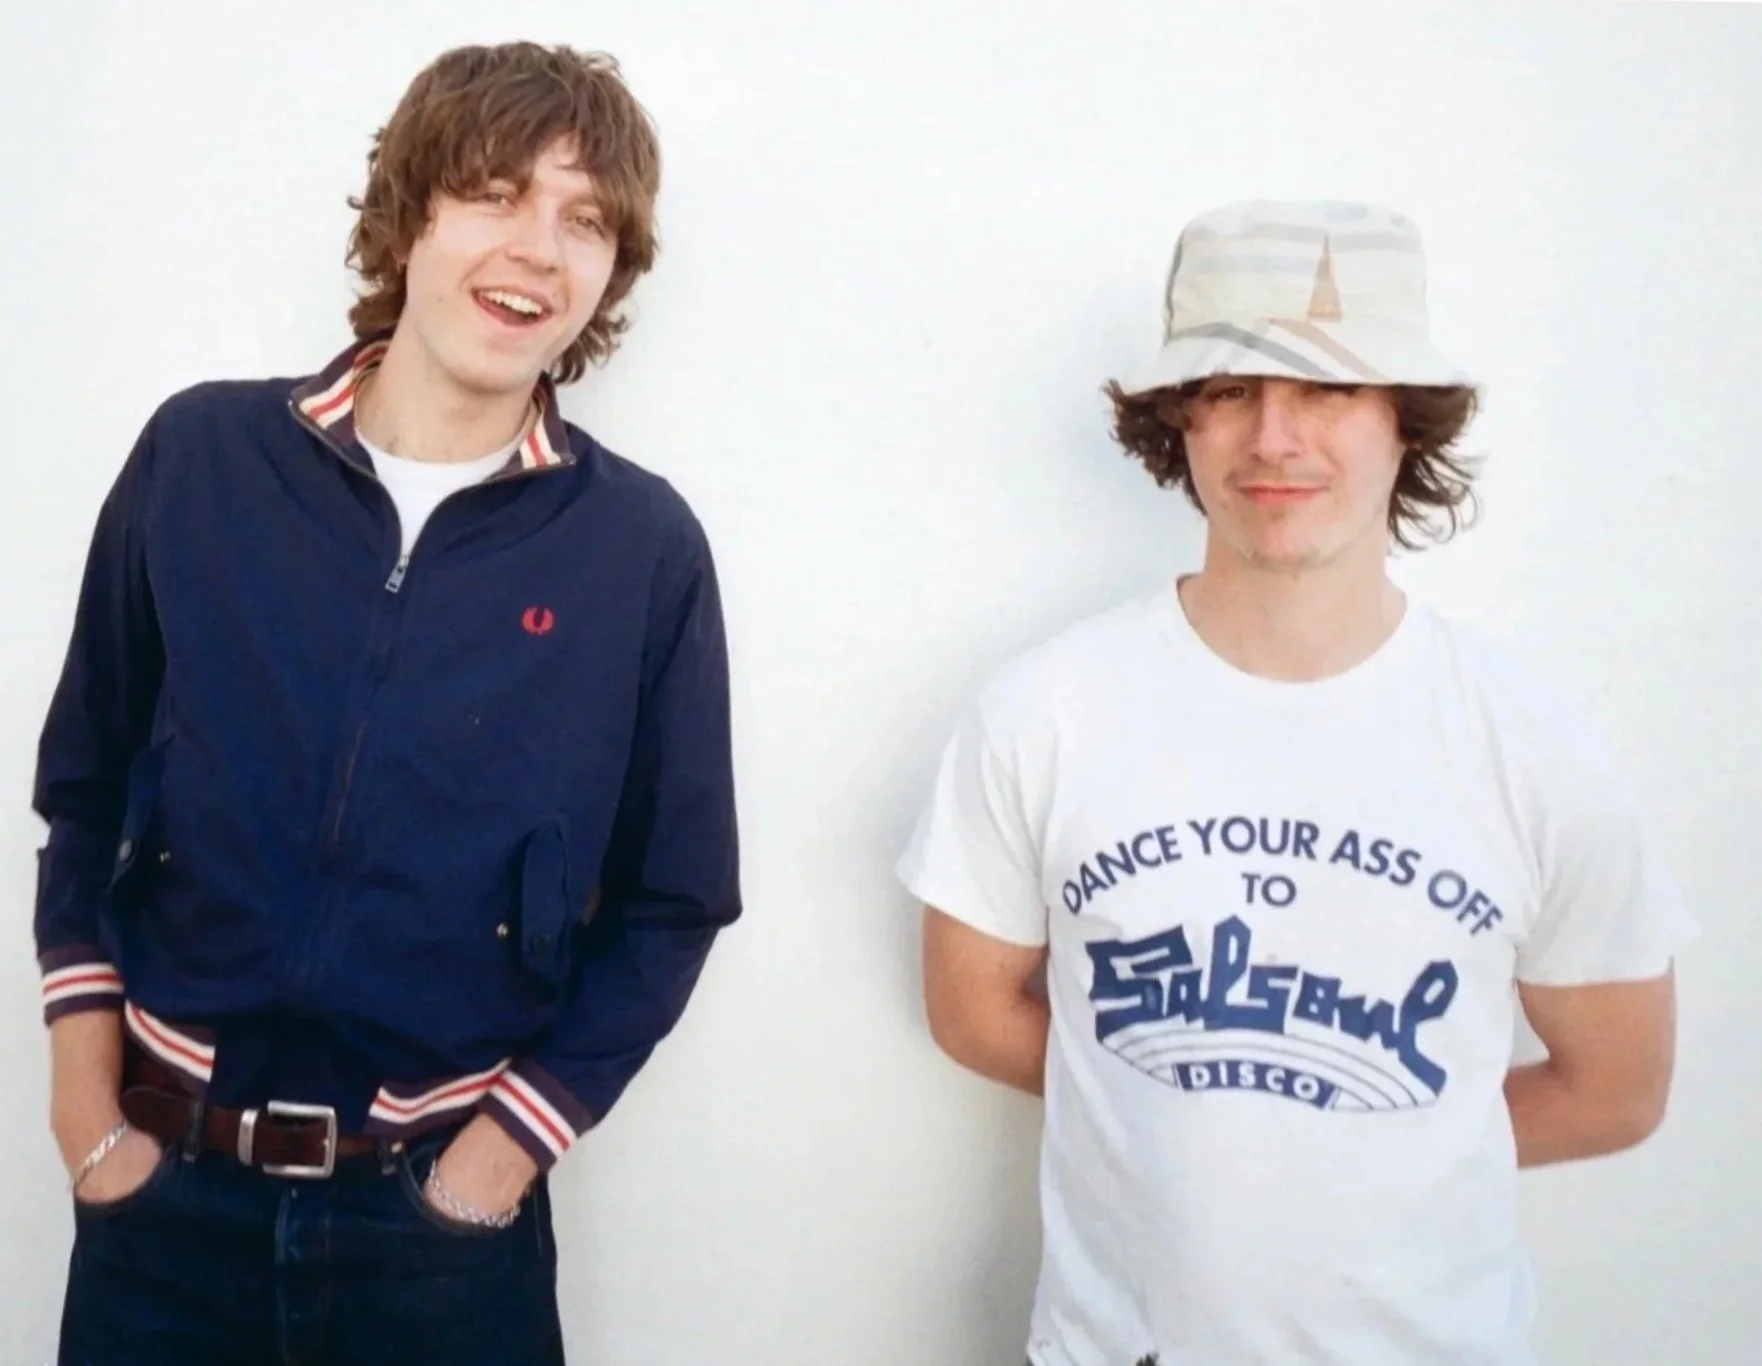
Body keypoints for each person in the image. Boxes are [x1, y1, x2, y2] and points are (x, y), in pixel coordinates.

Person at [32, 41, 740, 1365]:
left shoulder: (638, 549)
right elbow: (84, 788)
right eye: (494, 192)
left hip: (441, 1248)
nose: (538, 249)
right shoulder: (201, 458)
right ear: (411, 212)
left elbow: (670, 901)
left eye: (584, 219)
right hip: (162, 1217)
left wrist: (491, 1165)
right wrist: (88, 1119)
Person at [897, 199, 1691, 1365]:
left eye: (1327, 389)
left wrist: (1378, 1142)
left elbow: (1616, 1089)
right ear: (1180, 420)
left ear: (1402, 423)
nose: (1274, 437)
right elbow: (972, 1010)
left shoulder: (1532, 750)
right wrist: (1192, 1111)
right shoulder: (1043, 712)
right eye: (1227, 388)